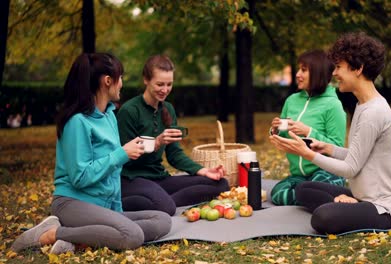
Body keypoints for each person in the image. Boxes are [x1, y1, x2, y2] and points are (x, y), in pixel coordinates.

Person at [10, 53, 171, 254]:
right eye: (120, 78)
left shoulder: (110, 116)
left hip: (103, 206)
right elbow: (80, 177)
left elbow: (111, 174)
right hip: (73, 203)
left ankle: (80, 239)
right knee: (133, 235)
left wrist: (116, 212)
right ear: (107, 81)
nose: (122, 83)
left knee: (162, 220)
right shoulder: (77, 122)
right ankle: (53, 233)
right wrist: (121, 154)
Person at [270, 32, 391, 234]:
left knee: (322, 218)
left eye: (339, 67)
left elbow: (350, 168)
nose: (334, 73)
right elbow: (357, 155)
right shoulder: (363, 105)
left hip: (383, 208)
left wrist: (308, 153)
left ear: (358, 69)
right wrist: (329, 149)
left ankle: (350, 206)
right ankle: (351, 203)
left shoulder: (374, 112)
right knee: (304, 189)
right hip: (362, 196)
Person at [117, 55, 229, 216]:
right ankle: (151, 200)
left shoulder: (168, 109)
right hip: (131, 179)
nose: (165, 89)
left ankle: (159, 198)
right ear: (146, 80)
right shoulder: (130, 111)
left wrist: (204, 171)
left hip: (159, 178)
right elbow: (124, 157)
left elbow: (175, 154)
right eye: (160, 84)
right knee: (166, 208)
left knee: (220, 184)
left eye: (169, 84)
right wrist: (155, 143)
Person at [269, 50, 347, 206]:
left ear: (317, 73)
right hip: (299, 175)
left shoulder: (333, 105)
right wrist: (276, 130)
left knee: (312, 187)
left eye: (303, 70)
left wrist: (308, 131)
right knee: (277, 193)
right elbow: (285, 136)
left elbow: (337, 147)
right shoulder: (291, 100)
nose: (298, 74)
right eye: (299, 69)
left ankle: (312, 195)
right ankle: (313, 197)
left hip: (325, 172)